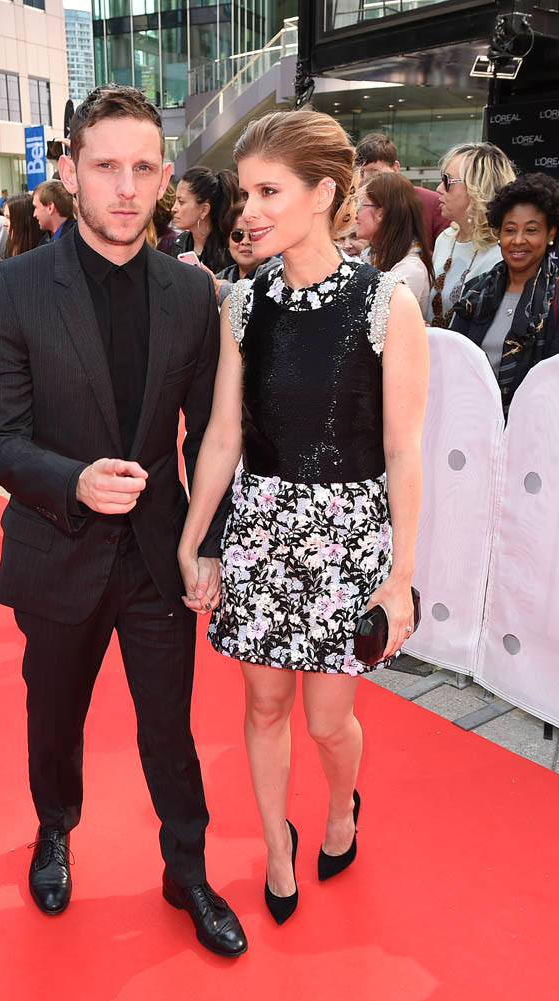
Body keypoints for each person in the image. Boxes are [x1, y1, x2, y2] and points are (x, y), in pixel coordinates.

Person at [0, 85, 247, 958]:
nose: (125, 188)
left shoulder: (192, 293)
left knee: (170, 726)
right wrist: (75, 481)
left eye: (143, 168)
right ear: (70, 171)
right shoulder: (14, 288)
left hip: (159, 553)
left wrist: (207, 543)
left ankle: (187, 869)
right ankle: (55, 829)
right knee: (54, 716)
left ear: (165, 177)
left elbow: (212, 435)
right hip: (57, 547)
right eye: (105, 167)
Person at [178, 110, 429, 926]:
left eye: (268, 192)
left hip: (347, 539)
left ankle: (343, 805)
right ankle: (276, 846)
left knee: (328, 723)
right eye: (244, 192)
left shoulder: (386, 303)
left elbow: (403, 450)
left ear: (323, 194)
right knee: (262, 708)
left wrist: (400, 578)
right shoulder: (243, 305)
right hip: (260, 529)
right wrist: (195, 540)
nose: (247, 210)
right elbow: (222, 436)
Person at [451, 173, 559, 416]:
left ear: (550, 234)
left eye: (531, 230)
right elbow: (454, 360)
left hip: (536, 426)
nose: (518, 240)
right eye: (509, 230)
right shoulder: (476, 290)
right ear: (499, 234)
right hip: (471, 421)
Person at [427, 142, 515, 327]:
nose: (439, 188)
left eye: (447, 180)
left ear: (477, 188)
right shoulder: (445, 239)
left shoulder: (504, 253)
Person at [355, 172, 433, 312]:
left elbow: (378, 319)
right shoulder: (370, 254)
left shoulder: (410, 269)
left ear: (381, 213)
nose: (355, 215)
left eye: (360, 206)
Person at [355, 132, 450, 244]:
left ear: (395, 168)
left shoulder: (431, 202)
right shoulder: (357, 206)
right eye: (361, 173)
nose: (366, 179)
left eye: (374, 171)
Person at [169, 166, 240, 272]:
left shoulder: (230, 247)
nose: (174, 208)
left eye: (181, 202)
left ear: (204, 210)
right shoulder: (179, 244)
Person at [215, 200, 280, 291]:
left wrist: (224, 289)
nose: (245, 242)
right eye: (238, 235)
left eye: (253, 234)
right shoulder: (220, 278)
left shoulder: (280, 274)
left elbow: (258, 293)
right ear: (228, 242)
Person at [3, 192, 44, 258]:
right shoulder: (11, 245)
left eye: (8, 218)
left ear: (24, 220)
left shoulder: (42, 254)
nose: (4, 224)